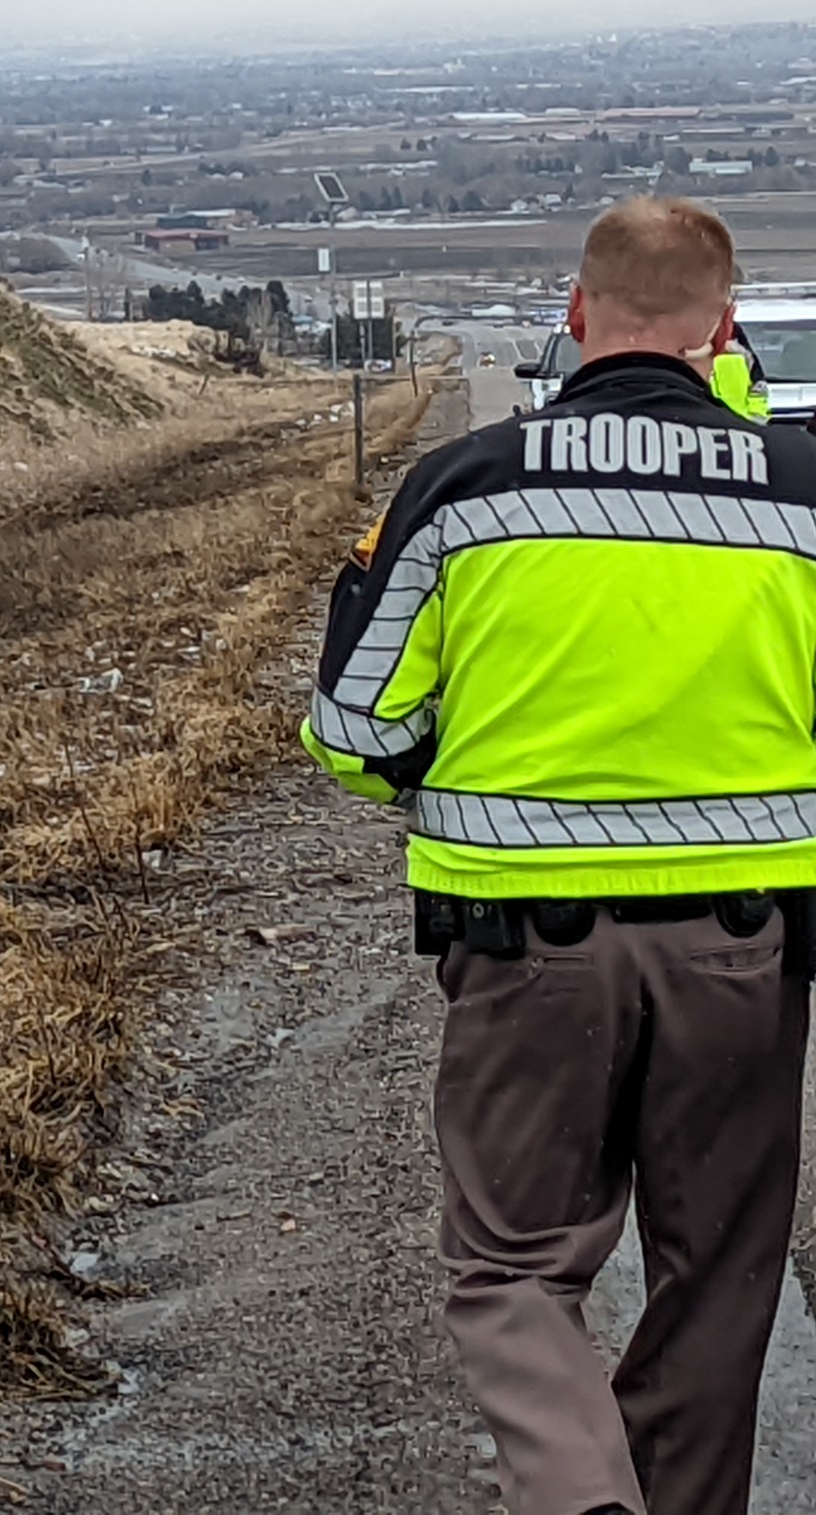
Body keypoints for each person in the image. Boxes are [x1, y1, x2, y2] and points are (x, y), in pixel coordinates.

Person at [306, 194, 816, 1515]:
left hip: (525, 951)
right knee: (719, 1278)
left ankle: (582, 1496)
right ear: (725, 328)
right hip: (746, 954)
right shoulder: (801, 493)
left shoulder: (467, 487)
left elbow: (356, 732)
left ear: (578, 314)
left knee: (513, 1270)